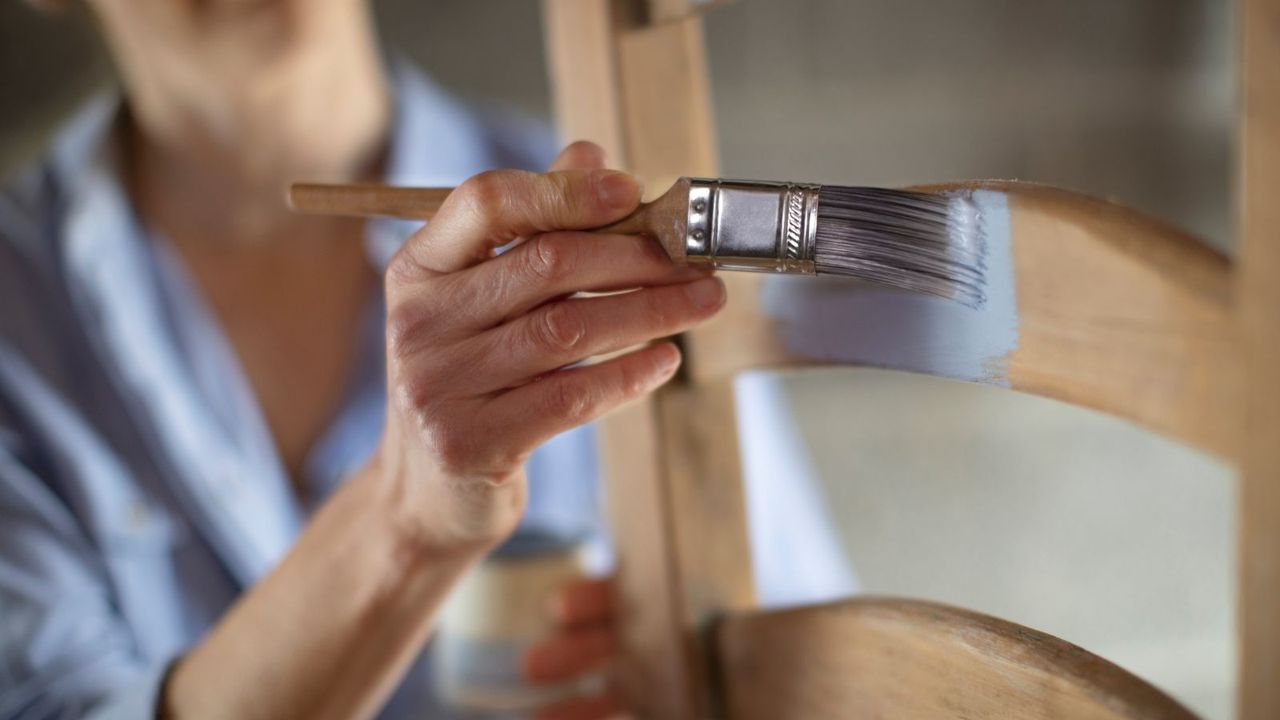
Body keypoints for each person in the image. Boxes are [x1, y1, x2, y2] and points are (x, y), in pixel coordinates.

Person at [0, 1, 855, 717]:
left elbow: (802, 657)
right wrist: (405, 523)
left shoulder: (628, 231)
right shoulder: (18, 314)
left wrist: (691, 687)